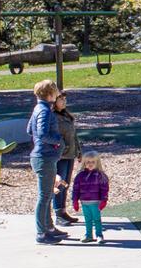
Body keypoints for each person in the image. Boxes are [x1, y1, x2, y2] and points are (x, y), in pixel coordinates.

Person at [26, 81, 66, 243]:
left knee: (48, 195)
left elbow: (30, 130)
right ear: (50, 94)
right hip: (44, 157)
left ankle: (49, 228)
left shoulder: (38, 109)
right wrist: (58, 141)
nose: (58, 93)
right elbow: (42, 134)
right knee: (44, 197)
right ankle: (41, 233)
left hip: (43, 156)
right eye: (55, 91)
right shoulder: (45, 111)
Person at [52, 90, 82, 225]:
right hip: (60, 156)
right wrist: (62, 147)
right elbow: (55, 137)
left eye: (65, 99)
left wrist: (78, 150)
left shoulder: (66, 116)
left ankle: (63, 211)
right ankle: (58, 214)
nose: (64, 102)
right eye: (61, 99)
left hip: (70, 154)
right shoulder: (53, 117)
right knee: (59, 183)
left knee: (66, 183)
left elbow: (73, 135)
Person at [71, 152, 111, 243]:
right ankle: (88, 235)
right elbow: (76, 189)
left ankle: (99, 235)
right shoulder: (80, 176)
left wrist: (104, 200)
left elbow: (104, 189)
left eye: (93, 162)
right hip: (84, 202)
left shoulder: (100, 176)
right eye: (88, 162)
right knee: (87, 219)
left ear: (97, 163)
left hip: (95, 202)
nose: (90, 164)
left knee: (97, 219)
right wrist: (75, 201)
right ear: (84, 163)